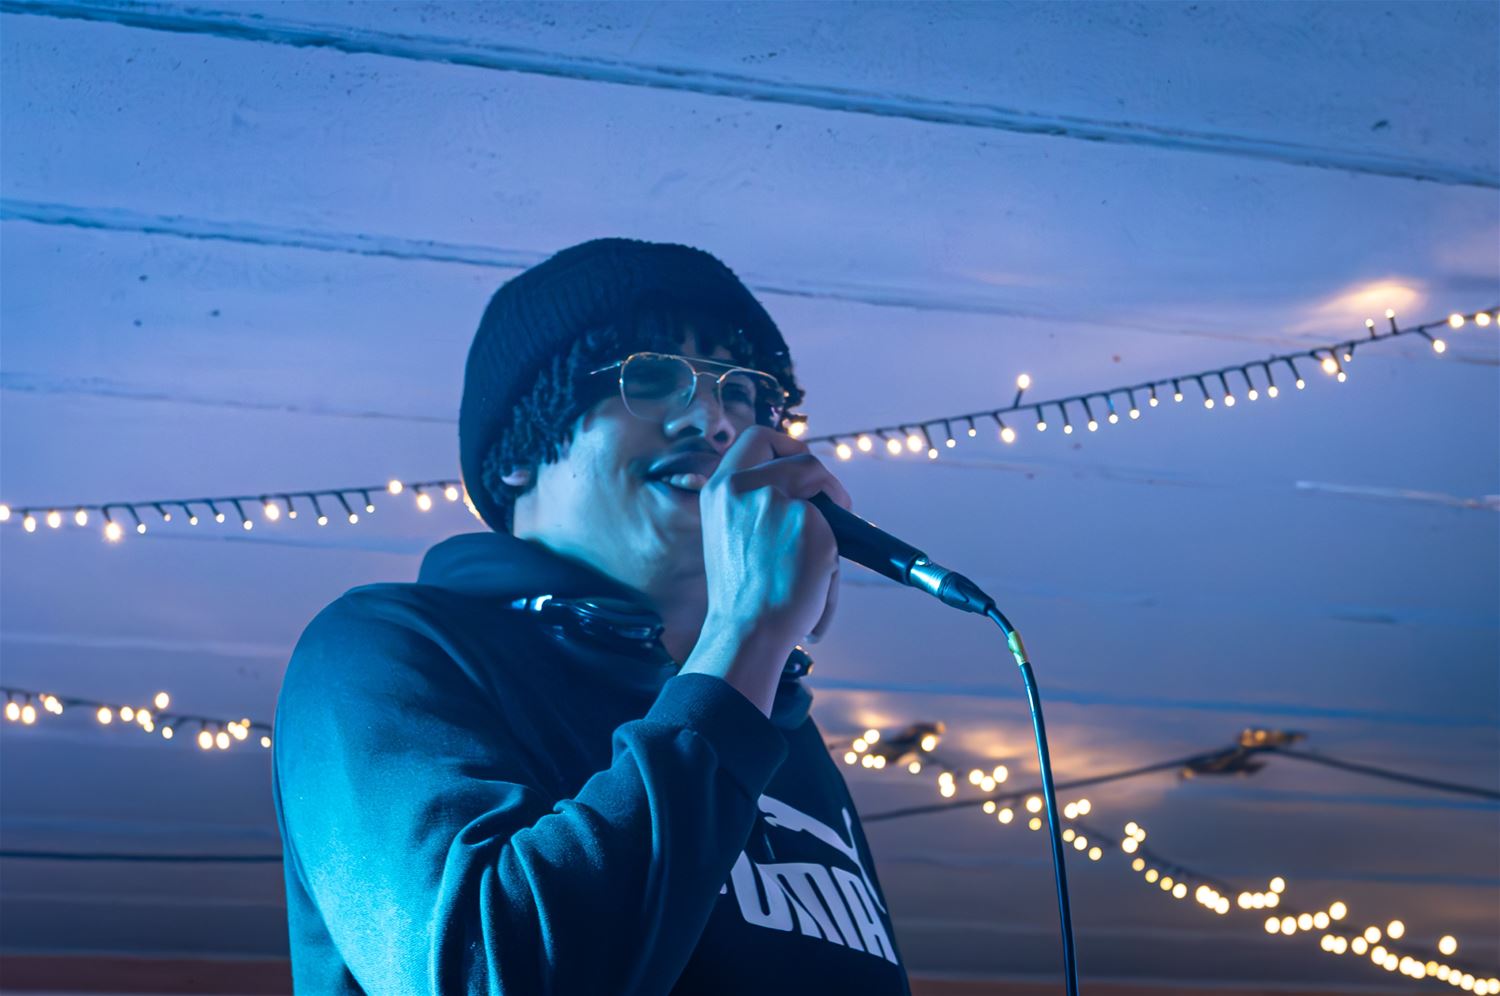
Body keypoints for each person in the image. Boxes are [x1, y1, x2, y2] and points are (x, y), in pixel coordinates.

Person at [272, 238, 912, 994]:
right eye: (652, 376)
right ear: (519, 446)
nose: (714, 421)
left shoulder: (778, 720)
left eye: (741, 392)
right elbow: (484, 976)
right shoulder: (384, 648)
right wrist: (747, 634)